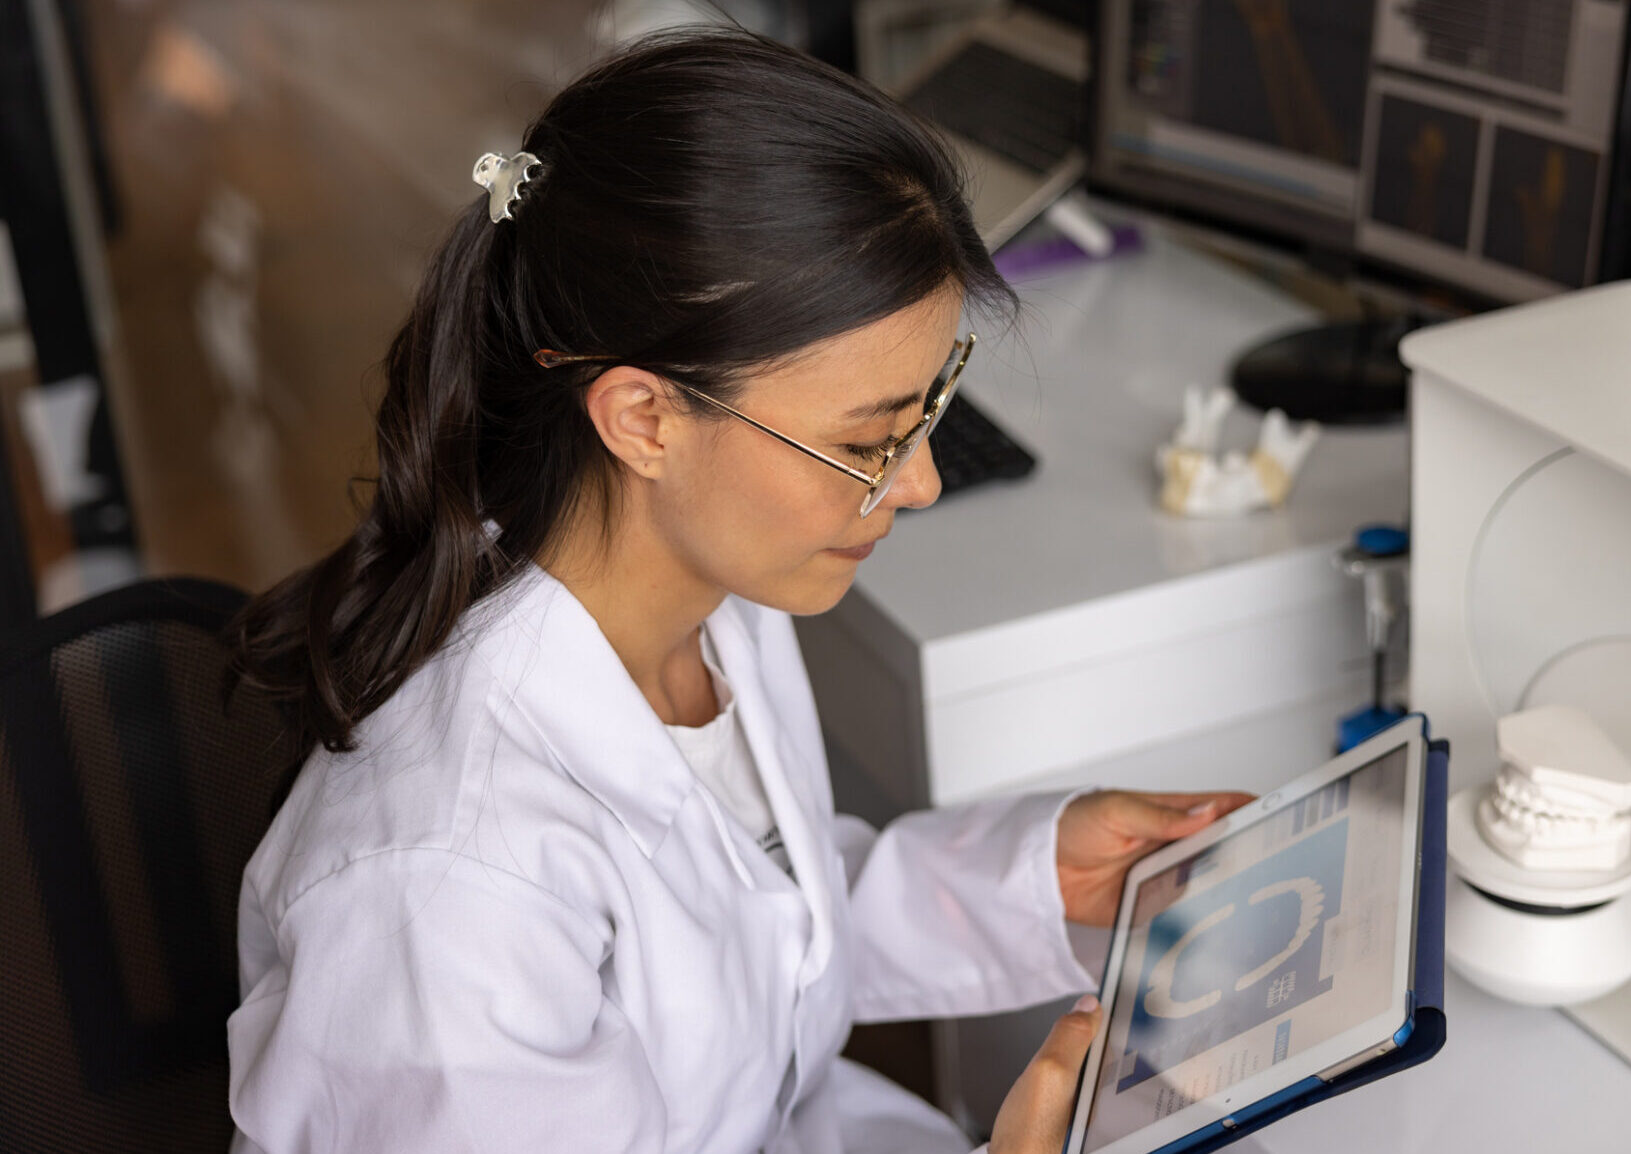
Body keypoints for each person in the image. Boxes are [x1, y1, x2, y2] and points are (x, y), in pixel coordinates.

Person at [222, 28, 1250, 1154]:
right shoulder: (451, 888)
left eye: (928, 406)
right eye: (868, 438)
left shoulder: (703, 595)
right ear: (644, 419)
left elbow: (752, 925)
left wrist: (1036, 875)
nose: (919, 481)